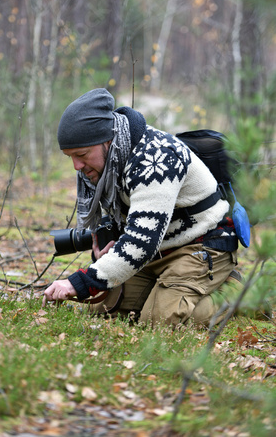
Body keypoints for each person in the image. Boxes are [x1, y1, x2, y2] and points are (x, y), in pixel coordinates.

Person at [42, 88, 241, 327]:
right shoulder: (112, 161)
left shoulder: (155, 159)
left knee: (159, 321)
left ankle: (237, 295)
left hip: (201, 245)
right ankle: (168, 292)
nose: (76, 165)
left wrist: (82, 282)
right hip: (159, 250)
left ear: (107, 140)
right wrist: (105, 251)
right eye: (70, 157)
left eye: (82, 154)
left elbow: (141, 242)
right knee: (103, 308)